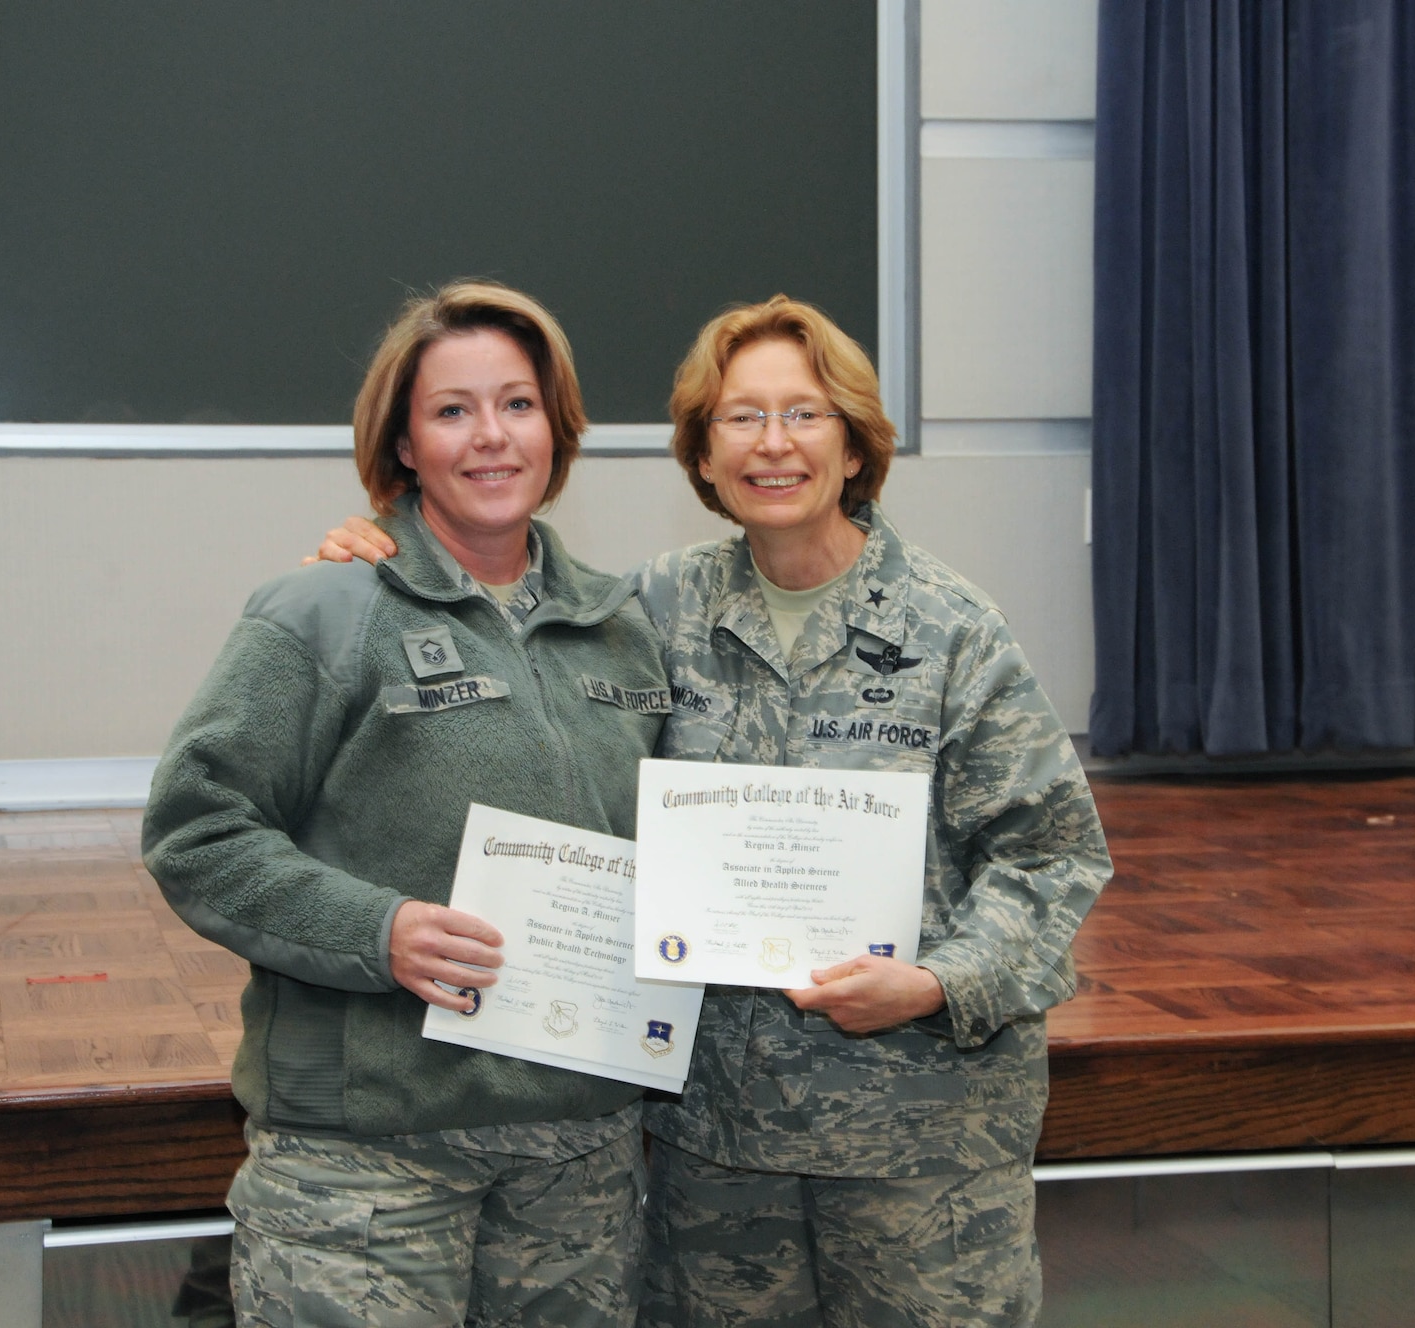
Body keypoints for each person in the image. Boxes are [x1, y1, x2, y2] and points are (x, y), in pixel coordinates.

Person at [314, 295, 1112, 1327]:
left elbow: (1050, 855)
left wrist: (931, 982)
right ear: (701, 448)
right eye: (740, 417)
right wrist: (385, 554)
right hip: (714, 1148)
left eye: (804, 414)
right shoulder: (650, 608)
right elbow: (503, 633)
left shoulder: (953, 630)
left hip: (919, 1144)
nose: (771, 444)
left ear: (856, 442)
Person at [145, 281, 671, 1327]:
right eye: (451, 410)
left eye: (517, 405)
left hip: (580, 1151)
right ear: (401, 443)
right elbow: (197, 830)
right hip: (366, 1159)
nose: (490, 437)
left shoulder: (624, 626)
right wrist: (375, 930)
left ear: (557, 429)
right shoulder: (322, 610)